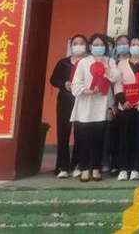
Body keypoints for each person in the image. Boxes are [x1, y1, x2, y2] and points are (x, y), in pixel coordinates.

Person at [70, 33, 119, 182]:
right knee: (83, 139)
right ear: (90, 46)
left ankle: (96, 168)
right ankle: (85, 168)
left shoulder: (110, 61)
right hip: (85, 105)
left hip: (101, 105)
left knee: (99, 138)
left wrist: (105, 67)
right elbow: (76, 82)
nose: (99, 47)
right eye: (95, 45)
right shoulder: (83, 62)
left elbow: (115, 78)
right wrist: (85, 90)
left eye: (101, 45)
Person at [113, 37, 139, 181]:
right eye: (134, 44)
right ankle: (123, 168)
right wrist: (123, 101)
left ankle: (136, 168)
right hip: (125, 107)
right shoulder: (121, 64)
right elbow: (118, 84)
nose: (136, 46)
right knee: (124, 137)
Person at [49, 34, 88, 179]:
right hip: (65, 101)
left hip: (82, 100)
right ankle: (62, 166)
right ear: (71, 46)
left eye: (81, 43)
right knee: (63, 132)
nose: (78, 46)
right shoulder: (63, 63)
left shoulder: (88, 63)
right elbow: (53, 79)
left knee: (80, 133)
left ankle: (77, 164)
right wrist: (64, 83)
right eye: (75, 43)